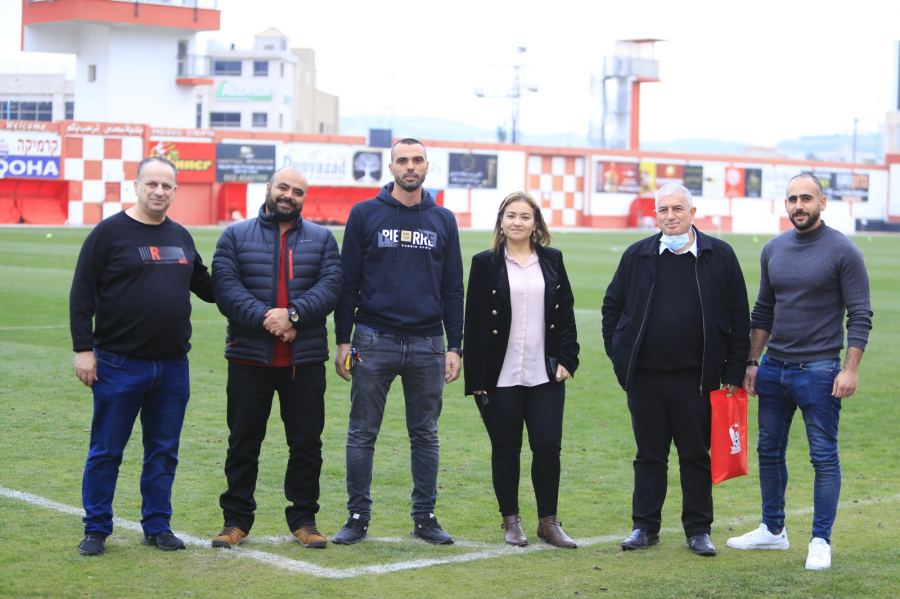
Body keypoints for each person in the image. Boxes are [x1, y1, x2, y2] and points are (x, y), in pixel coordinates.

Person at [70, 156, 215, 556]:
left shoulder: (181, 236)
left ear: (175, 191)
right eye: (152, 184)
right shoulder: (109, 234)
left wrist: (245, 276)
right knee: (106, 451)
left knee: (163, 452)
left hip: (172, 367)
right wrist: (83, 349)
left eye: (167, 186)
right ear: (136, 186)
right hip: (118, 364)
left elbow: (206, 286)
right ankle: (96, 528)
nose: (159, 191)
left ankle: (157, 526)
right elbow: (82, 293)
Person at [727, 173, 873, 570]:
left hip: (820, 370)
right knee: (768, 450)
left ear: (822, 202)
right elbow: (764, 311)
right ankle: (773, 530)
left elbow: (860, 314)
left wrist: (850, 369)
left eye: (806, 198)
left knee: (823, 456)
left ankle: (820, 540)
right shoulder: (774, 249)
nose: (799, 206)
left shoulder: (843, 251)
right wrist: (752, 362)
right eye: (792, 199)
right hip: (774, 368)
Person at [602, 183, 750, 557]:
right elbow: (612, 307)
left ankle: (698, 530)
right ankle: (644, 527)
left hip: (696, 380)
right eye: (663, 210)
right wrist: (620, 356)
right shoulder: (638, 255)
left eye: (677, 209)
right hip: (646, 380)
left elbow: (739, 316)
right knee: (649, 456)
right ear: (656, 215)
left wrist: (733, 372)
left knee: (695, 456)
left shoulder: (719, 255)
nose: (670, 216)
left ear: (692, 212)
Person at [332, 138, 464, 545]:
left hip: (428, 343)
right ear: (390, 167)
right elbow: (348, 282)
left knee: (425, 434)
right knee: (362, 432)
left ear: (427, 166)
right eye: (402, 160)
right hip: (373, 339)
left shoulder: (443, 219)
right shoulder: (365, 214)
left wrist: (455, 346)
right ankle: (357, 517)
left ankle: (425, 518)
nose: (410, 166)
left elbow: (453, 288)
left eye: (417, 160)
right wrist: (342, 340)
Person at [210, 166, 341, 550]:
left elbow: (331, 286)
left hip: (304, 362)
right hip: (249, 360)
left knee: (306, 445)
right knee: (243, 443)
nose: (289, 195)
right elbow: (226, 289)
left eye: (298, 191)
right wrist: (270, 319)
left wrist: (294, 315)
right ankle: (236, 520)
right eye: (283, 187)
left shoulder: (322, 238)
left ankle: (304, 519)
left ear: (304, 198)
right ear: (269, 188)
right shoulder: (235, 235)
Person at [463, 192, 580, 548]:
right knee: (506, 448)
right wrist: (476, 381)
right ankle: (511, 521)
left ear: (535, 223)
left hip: (545, 373)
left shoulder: (553, 260)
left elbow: (565, 313)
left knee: (547, 446)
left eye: (525, 216)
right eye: (511, 215)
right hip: (501, 375)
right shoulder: (485, 263)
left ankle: (548, 522)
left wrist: (568, 359)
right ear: (501, 221)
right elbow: (475, 323)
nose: (517, 222)